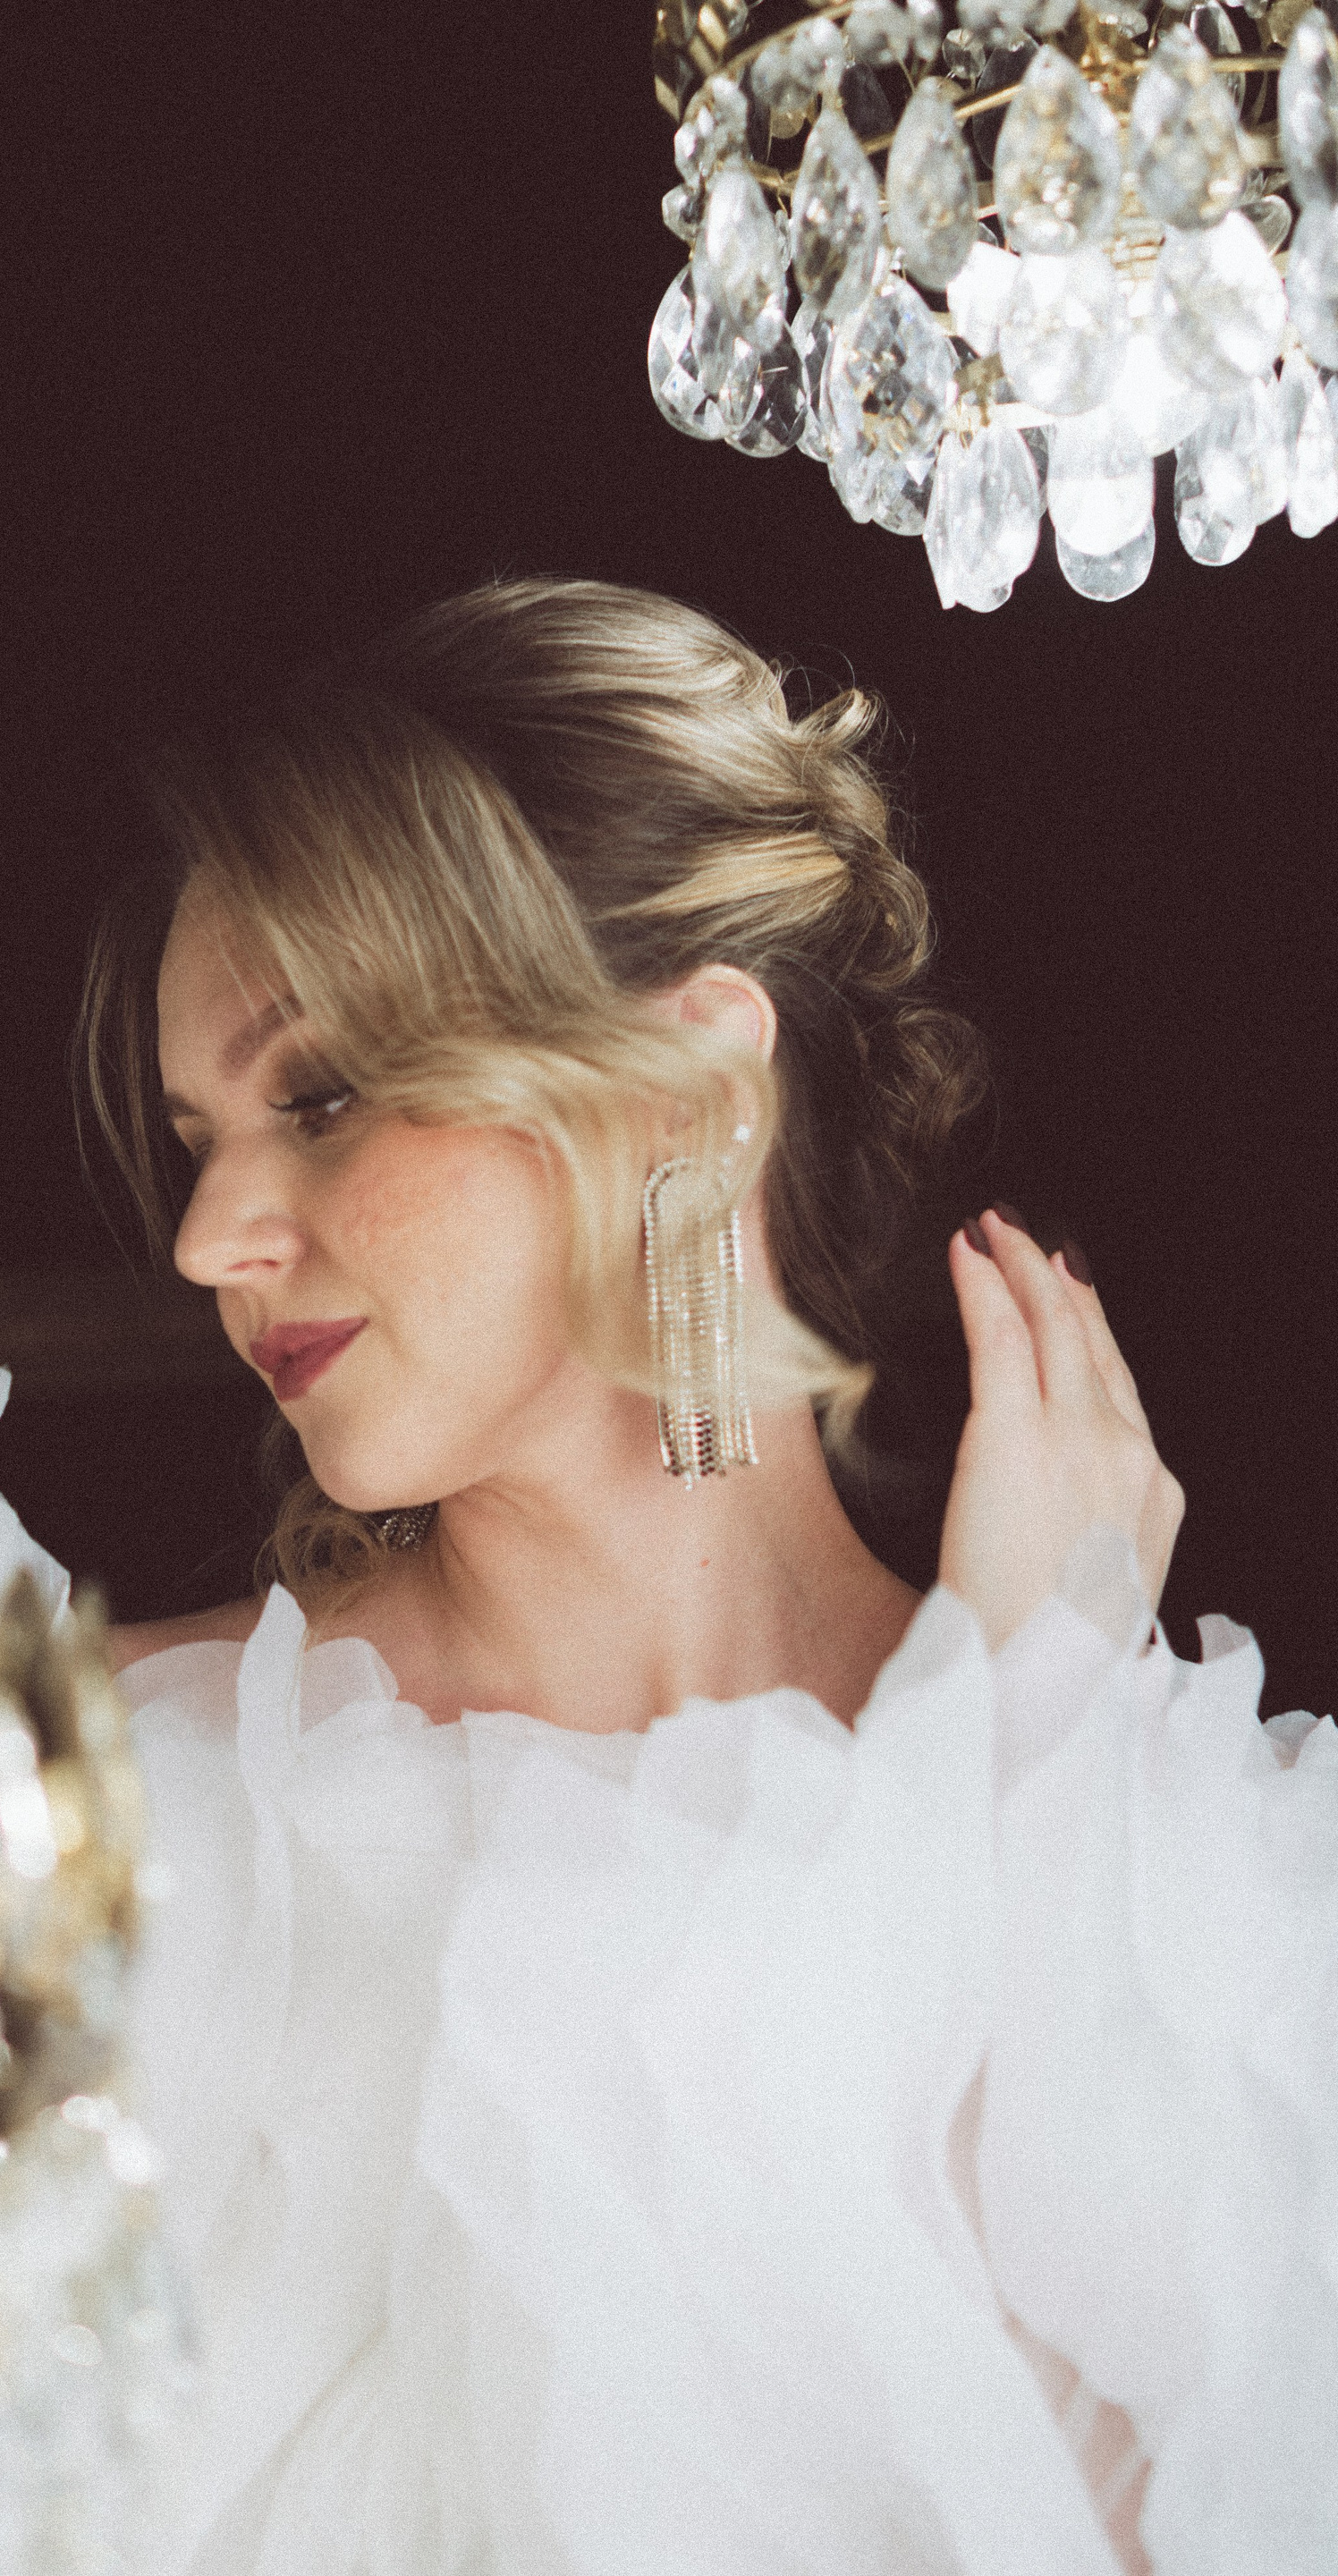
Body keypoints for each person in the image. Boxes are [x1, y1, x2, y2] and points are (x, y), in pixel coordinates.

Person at [70, 579, 1333, 2573]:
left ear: (689, 1097)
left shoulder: (1194, 1858)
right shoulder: (97, 1812)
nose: (212, 1233)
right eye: (199, 1134)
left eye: (318, 1095)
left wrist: (1031, 1755)